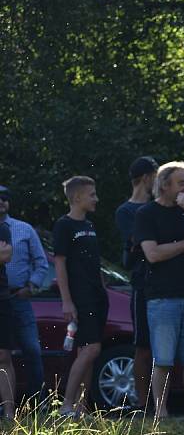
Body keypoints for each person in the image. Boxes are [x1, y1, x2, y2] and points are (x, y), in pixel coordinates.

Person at [134, 161, 184, 419]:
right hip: (161, 298)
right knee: (163, 358)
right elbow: (152, 254)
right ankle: (160, 413)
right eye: (181, 183)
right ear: (164, 185)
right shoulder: (146, 214)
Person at [53, 176, 109, 417]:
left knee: (87, 350)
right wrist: (67, 300)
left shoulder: (90, 226)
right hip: (80, 296)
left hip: (97, 295)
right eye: (92, 194)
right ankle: (67, 405)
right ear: (77, 197)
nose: (96, 199)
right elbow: (60, 264)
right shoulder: (64, 226)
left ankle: (81, 407)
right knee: (91, 350)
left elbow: (94, 264)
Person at [115, 155, 158, 408]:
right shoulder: (126, 211)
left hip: (163, 284)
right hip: (142, 285)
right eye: (155, 176)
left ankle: (160, 401)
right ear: (146, 178)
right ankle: (143, 404)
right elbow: (139, 242)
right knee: (143, 346)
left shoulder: (159, 208)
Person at [0, 185, 48, 404]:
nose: (1, 201)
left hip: (18, 297)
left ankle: (37, 402)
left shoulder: (24, 229)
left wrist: (31, 286)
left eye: (5, 198)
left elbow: (41, 262)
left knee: (31, 348)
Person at [0, 221, 15, 419]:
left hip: (1, 299)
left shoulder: (2, 227)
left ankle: (9, 413)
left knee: (3, 355)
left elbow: (6, 255)